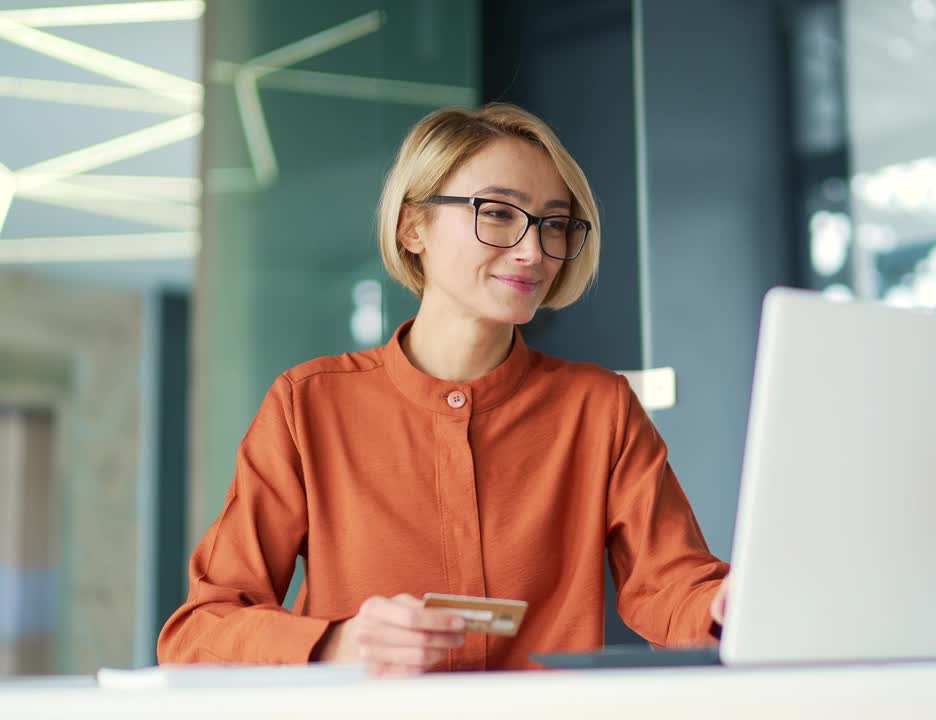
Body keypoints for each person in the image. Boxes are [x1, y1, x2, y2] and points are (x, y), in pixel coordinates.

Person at [157, 103, 731, 675]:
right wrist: (338, 644)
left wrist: (729, 606)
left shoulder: (600, 409)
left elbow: (673, 588)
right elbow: (196, 634)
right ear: (413, 226)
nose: (533, 251)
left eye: (554, 223)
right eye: (499, 213)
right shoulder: (306, 406)